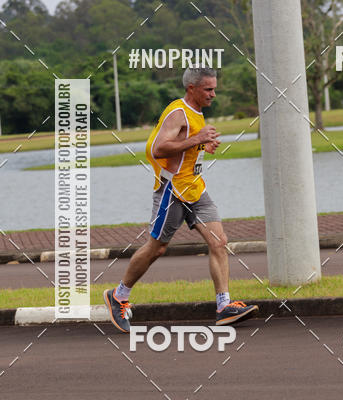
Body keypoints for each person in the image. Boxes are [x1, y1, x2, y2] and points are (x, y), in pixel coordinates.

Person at [103, 66, 258, 333]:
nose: (213, 94)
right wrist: (197, 138)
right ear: (192, 88)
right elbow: (158, 148)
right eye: (208, 89)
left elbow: (184, 146)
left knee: (219, 242)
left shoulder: (196, 113)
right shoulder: (178, 112)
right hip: (172, 191)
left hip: (196, 189)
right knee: (157, 248)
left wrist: (202, 145)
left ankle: (223, 306)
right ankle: (118, 295)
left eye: (214, 88)